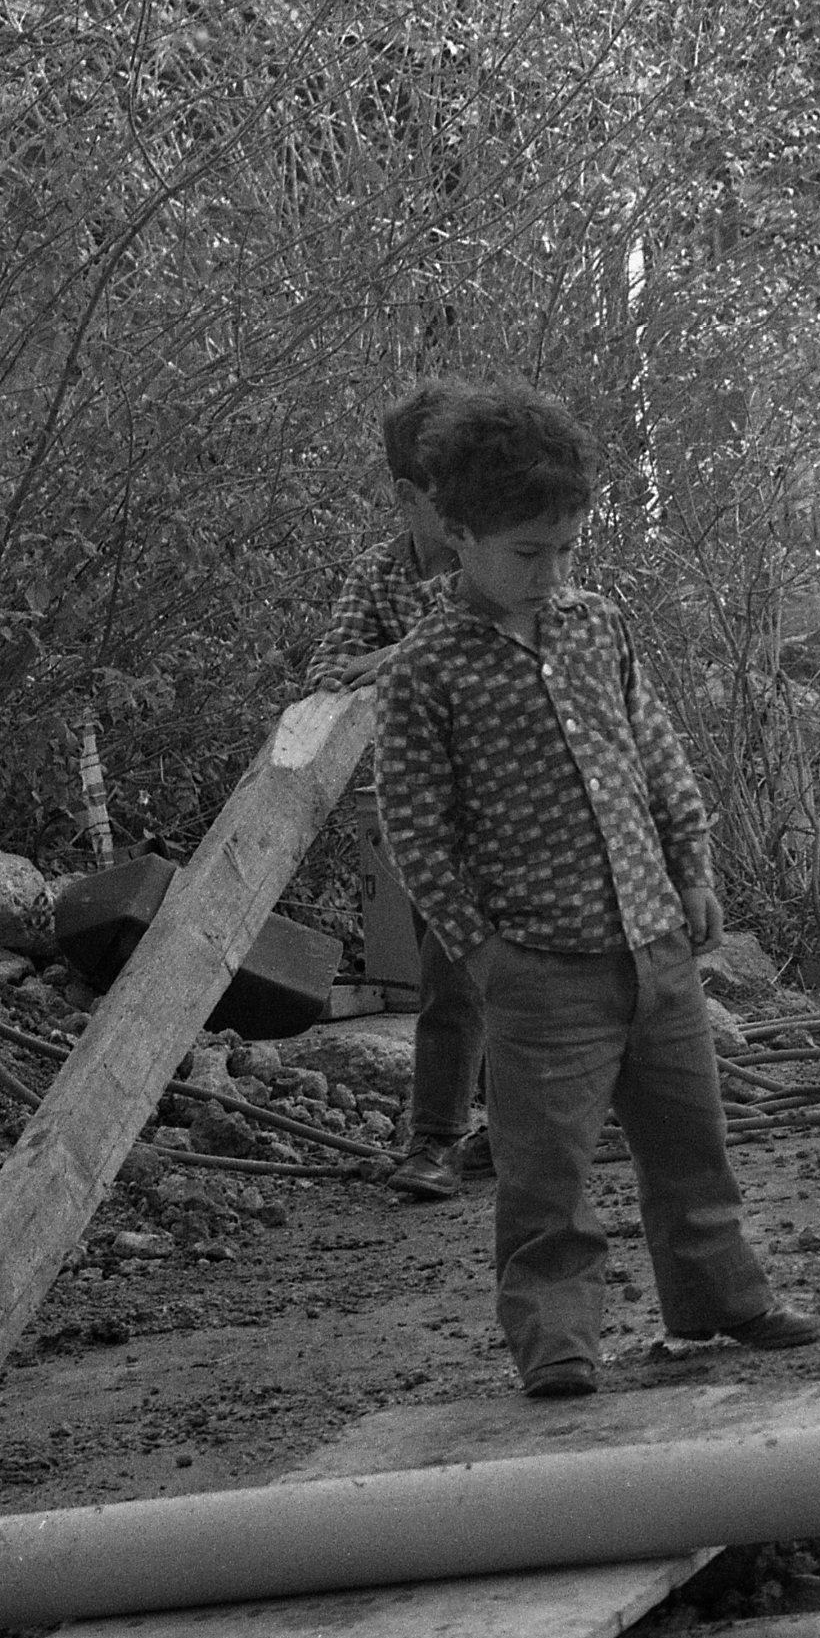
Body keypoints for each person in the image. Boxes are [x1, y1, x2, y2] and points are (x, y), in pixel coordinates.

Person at [376, 384, 820, 1400]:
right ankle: (558, 1343)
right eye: (528, 554)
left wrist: (694, 868)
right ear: (460, 532)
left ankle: (719, 1299)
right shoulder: (426, 670)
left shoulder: (594, 626)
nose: (552, 572)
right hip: (538, 970)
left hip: (653, 943)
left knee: (690, 1144)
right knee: (544, 1178)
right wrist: (481, 952)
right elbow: (417, 828)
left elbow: (654, 752)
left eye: (566, 549)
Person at [311, 381, 491, 1203]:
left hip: (503, 802)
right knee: (446, 965)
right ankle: (491, 1124)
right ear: (407, 497)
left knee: (468, 969)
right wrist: (406, 656)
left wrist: (393, 659)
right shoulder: (376, 574)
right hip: (418, 810)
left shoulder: (495, 561)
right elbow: (327, 672)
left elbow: (477, 639)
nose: (464, 519)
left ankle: (441, 1137)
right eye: (445, 502)